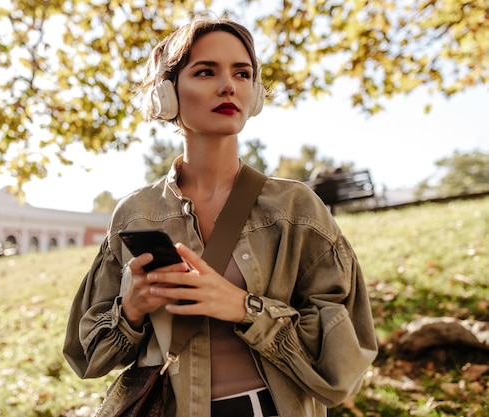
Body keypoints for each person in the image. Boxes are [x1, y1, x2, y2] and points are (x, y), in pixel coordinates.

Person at [63, 14, 378, 417]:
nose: (229, 85)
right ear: (166, 93)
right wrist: (131, 310)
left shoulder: (296, 209)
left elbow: (346, 359)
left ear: (255, 93)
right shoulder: (135, 214)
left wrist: (245, 308)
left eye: (242, 73)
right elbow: (85, 354)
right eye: (206, 71)